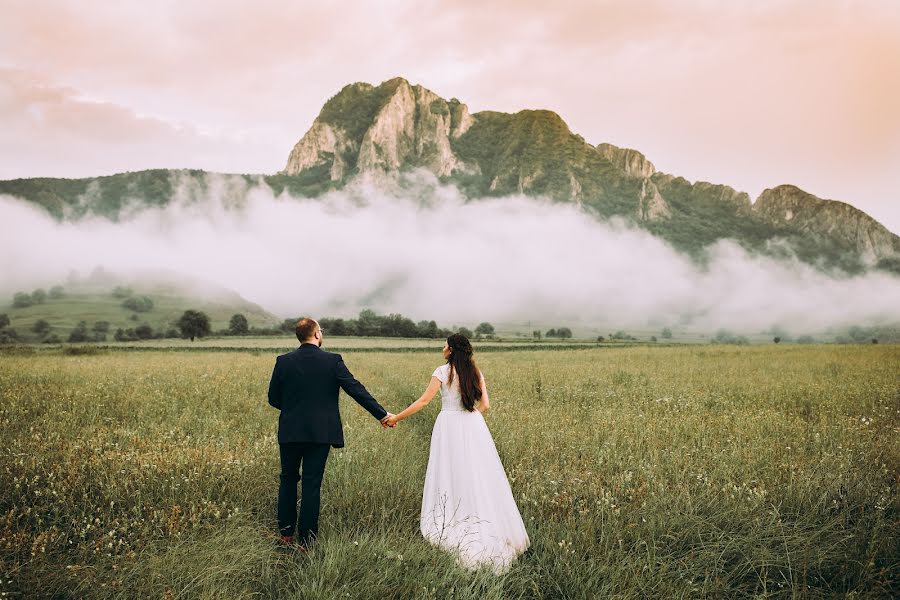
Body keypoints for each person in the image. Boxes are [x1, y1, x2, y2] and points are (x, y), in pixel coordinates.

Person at [385, 333, 529, 573]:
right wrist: (470, 415)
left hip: (449, 425)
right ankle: (480, 517)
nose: (442, 348)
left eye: (445, 345)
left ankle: (454, 511)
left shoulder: (442, 372)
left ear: (450, 350)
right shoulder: (475, 373)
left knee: (450, 469)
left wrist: (396, 417)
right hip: (473, 425)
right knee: (476, 471)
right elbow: (485, 406)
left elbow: (423, 402)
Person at [267, 317, 395, 550]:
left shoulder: (283, 361)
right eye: (321, 331)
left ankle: (285, 535)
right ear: (316, 334)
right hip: (320, 433)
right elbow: (356, 389)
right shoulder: (332, 361)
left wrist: (294, 411)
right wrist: (382, 414)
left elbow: (273, 398)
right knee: (311, 484)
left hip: (290, 430)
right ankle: (306, 542)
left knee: (287, 479)